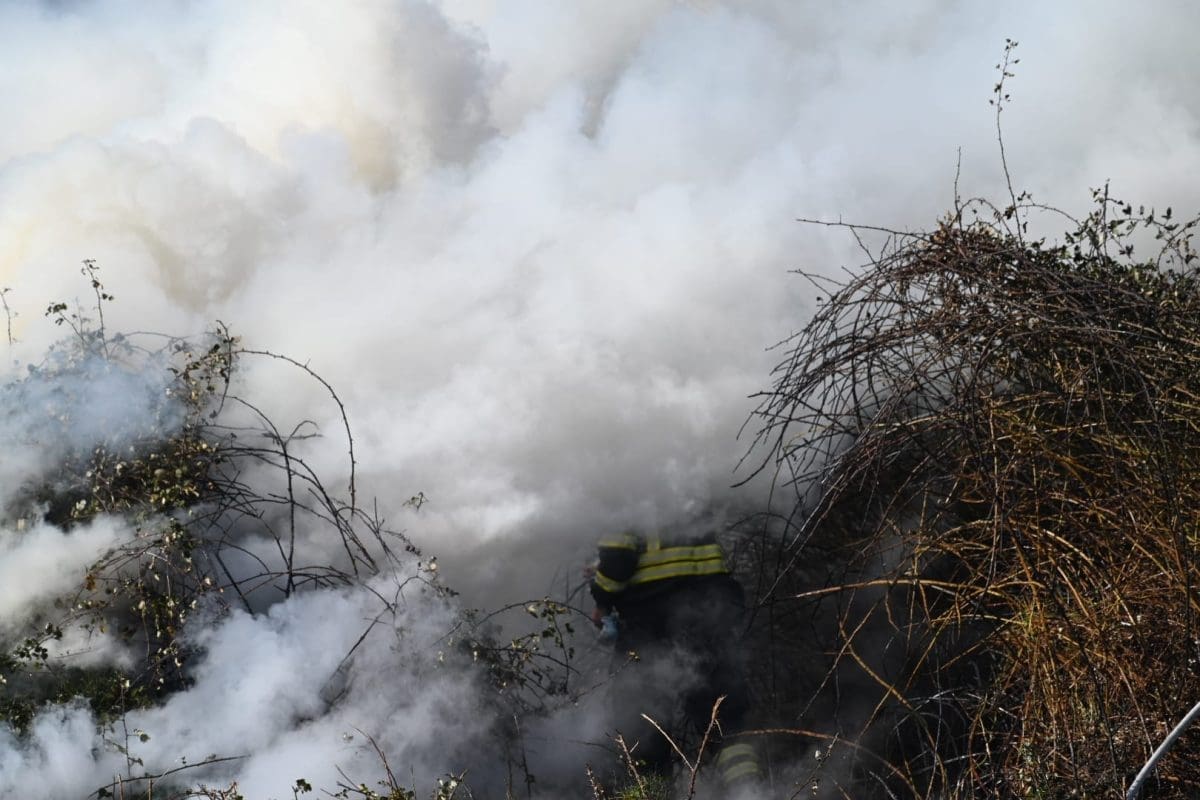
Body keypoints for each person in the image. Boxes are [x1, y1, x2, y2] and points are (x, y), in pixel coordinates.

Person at [589, 525, 763, 791]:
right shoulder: (688, 497)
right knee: (725, 725)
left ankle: (652, 794)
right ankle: (751, 793)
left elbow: (618, 561)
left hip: (650, 620)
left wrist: (601, 597)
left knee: (644, 729)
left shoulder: (620, 499)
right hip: (710, 613)